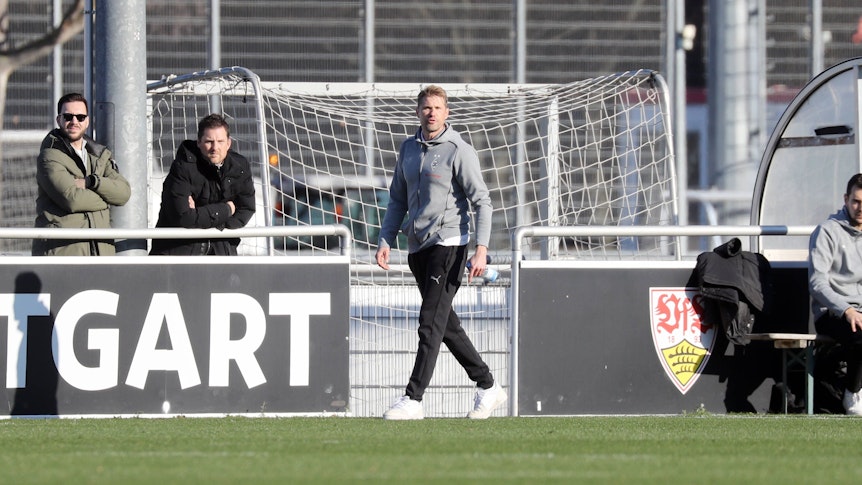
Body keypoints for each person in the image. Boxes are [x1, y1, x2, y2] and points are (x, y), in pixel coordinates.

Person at [375, 85, 506, 420]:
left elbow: (483, 202)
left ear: (446, 112)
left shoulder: (458, 149)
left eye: (437, 107)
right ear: (418, 112)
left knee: (428, 324)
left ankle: (413, 398)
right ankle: (488, 385)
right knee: (444, 324)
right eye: (426, 107)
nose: (431, 113)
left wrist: (481, 250)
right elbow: (397, 199)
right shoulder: (408, 148)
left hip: (449, 245)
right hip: (417, 247)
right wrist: (385, 239)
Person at [33, 93, 131, 256]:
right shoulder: (49, 156)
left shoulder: (99, 156)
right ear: (59, 120)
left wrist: (91, 182)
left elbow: (124, 193)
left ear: (87, 121)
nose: (74, 121)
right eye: (68, 117)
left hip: (100, 254)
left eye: (80, 117)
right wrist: (108, 198)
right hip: (63, 254)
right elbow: (72, 200)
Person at [150, 113, 255, 255]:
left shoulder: (239, 167)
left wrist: (206, 219)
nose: (215, 147)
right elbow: (184, 217)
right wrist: (227, 210)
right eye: (209, 141)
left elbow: (246, 209)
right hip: (178, 254)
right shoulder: (183, 167)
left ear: (228, 143)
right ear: (198, 142)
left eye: (220, 141)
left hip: (221, 252)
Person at [809, 172, 862, 415]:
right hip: (833, 312)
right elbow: (817, 283)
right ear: (845, 199)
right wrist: (847, 310)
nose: (860, 208)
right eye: (856, 201)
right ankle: (853, 393)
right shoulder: (827, 232)